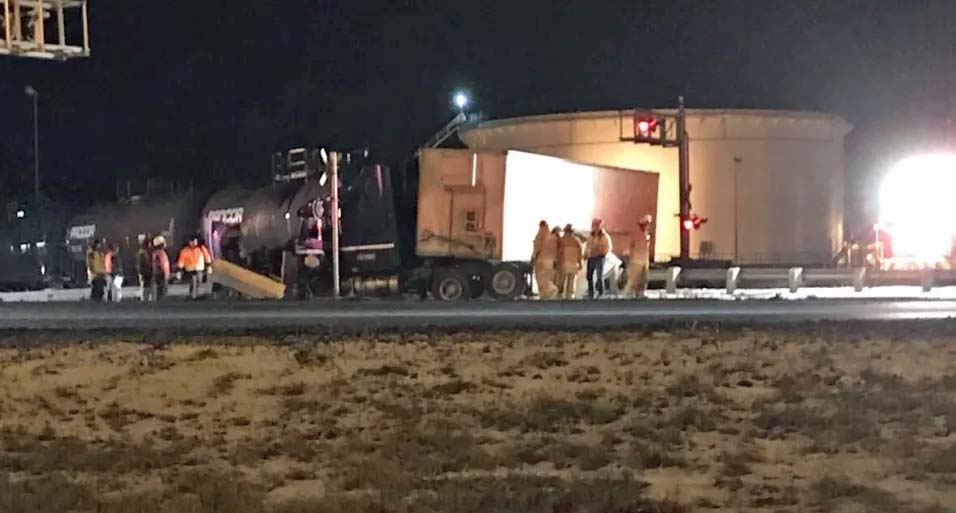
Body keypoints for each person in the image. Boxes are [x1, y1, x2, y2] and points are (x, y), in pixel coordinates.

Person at [624, 214, 653, 298]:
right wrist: (630, 255)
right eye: (646, 224)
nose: (648, 226)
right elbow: (631, 246)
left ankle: (640, 293)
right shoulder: (636, 234)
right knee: (633, 279)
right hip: (636, 261)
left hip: (644, 260)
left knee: (644, 278)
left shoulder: (646, 235)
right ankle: (629, 293)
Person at [531, 221, 559, 299]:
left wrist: (534, 257)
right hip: (552, 260)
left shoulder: (540, 235)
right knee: (549, 276)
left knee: (541, 277)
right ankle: (545, 295)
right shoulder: (553, 236)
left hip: (542, 259)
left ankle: (551, 289)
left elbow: (537, 248)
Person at [585, 218, 612, 298]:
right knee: (589, 275)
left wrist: (601, 253)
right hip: (591, 257)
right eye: (593, 224)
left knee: (599, 275)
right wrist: (588, 253)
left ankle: (600, 292)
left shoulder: (604, 236)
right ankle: (591, 292)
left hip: (599, 258)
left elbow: (608, 247)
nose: (594, 226)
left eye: (596, 225)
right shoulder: (590, 235)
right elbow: (587, 245)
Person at [557, 224, 584, 299]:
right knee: (571, 282)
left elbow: (558, 252)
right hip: (573, 265)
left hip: (563, 264)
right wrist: (580, 263)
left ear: (565, 231)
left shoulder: (561, 240)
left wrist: (556, 263)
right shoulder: (577, 241)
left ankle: (560, 294)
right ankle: (570, 296)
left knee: (561, 281)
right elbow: (580, 254)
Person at [151, 236, 171, 300]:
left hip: (160, 275)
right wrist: (165, 274)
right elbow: (163, 265)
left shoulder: (156, 253)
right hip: (161, 276)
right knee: (162, 293)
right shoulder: (160, 253)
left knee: (161, 292)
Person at [137, 237, 154, 301]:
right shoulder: (142, 252)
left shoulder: (144, 252)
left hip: (146, 272)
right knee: (145, 288)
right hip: (145, 272)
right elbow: (143, 263)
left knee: (147, 288)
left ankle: (146, 299)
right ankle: (145, 300)